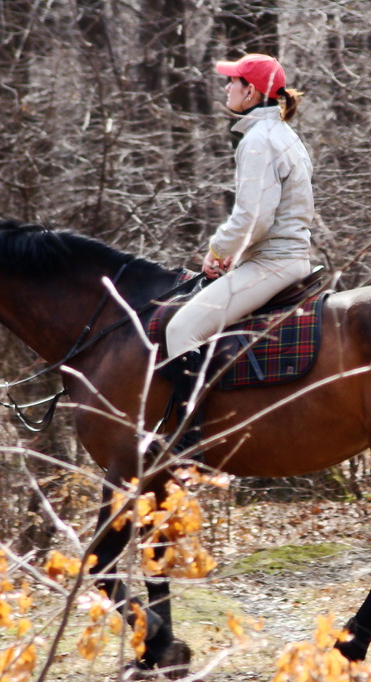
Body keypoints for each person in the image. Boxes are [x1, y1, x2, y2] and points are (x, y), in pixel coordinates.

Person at [159, 53, 314, 413]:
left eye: (233, 81)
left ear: (251, 92)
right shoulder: (283, 134)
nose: (227, 87)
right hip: (282, 258)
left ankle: (188, 446)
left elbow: (253, 219)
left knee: (180, 331)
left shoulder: (259, 140)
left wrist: (217, 250)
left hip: (272, 263)